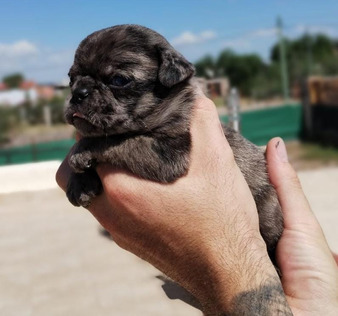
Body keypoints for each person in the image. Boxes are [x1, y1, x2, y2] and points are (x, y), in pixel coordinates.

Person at [56, 95, 338, 315]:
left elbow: (171, 164)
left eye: (120, 80)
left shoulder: (181, 116)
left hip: (270, 242)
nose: (79, 91)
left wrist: (220, 269)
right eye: (73, 79)